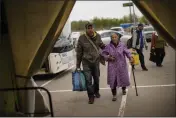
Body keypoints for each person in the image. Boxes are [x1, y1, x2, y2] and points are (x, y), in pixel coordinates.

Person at [76, 22, 105, 104]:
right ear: (86, 29)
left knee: (96, 79)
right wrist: (78, 65)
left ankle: (96, 91)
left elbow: (102, 45)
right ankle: (91, 96)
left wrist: (111, 49)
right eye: (88, 28)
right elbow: (79, 53)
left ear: (93, 28)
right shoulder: (81, 38)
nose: (90, 29)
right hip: (86, 63)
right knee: (88, 80)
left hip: (96, 61)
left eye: (91, 28)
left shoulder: (98, 36)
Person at [101, 33, 133, 101]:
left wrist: (130, 58)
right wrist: (108, 57)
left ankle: (123, 89)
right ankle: (114, 95)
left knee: (123, 78)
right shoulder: (108, 46)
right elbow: (103, 54)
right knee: (113, 80)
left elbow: (127, 52)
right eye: (112, 37)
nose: (114, 38)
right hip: (112, 66)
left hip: (121, 65)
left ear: (118, 38)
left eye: (115, 37)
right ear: (111, 38)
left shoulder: (122, 45)